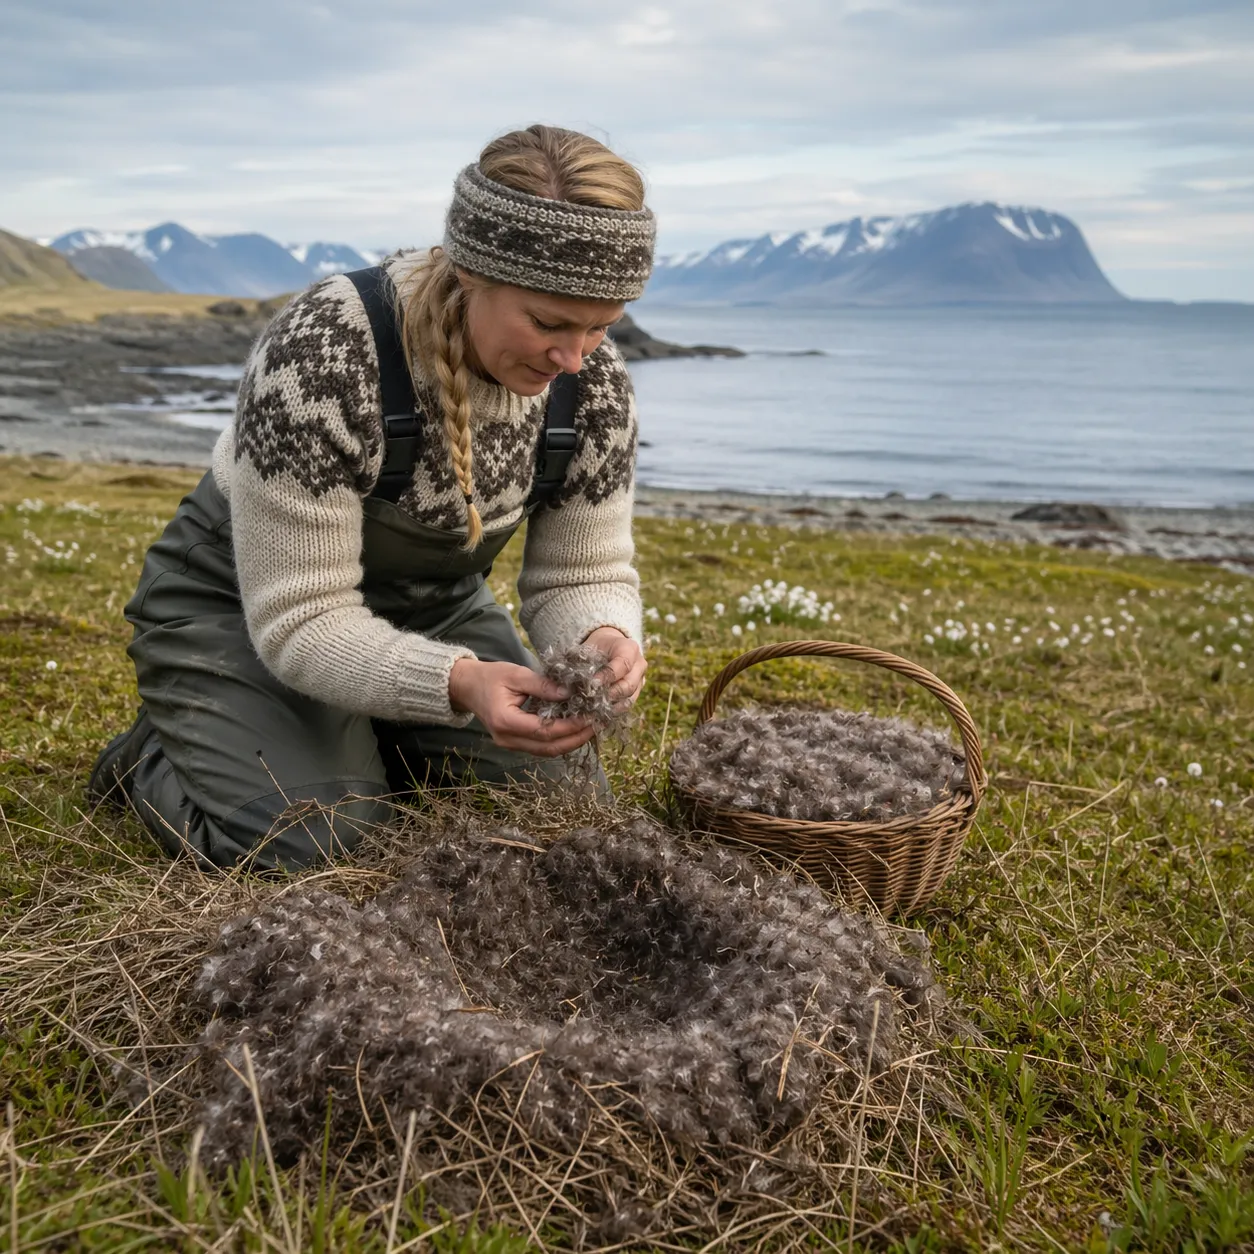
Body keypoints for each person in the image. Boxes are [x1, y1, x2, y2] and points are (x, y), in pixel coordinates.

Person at [88, 124, 655, 871]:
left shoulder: (593, 383)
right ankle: (151, 759)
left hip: (429, 610)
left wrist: (603, 637)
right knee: (315, 837)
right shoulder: (326, 351)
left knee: (561, 813)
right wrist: (457, 682)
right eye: (548, 323)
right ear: (469, 275)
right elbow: (300, 617)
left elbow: (579, 574)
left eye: (599, 327)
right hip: (246, 606)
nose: (571, 359)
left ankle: (361, 732)